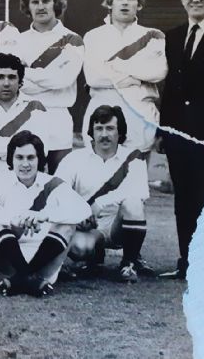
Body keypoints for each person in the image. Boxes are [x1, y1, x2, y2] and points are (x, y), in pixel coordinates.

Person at [0, 131, 90, 297]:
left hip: (44, 261)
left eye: (31, 158)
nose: (25, 164)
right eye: (19, 158)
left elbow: (83, 209)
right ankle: (28, 278)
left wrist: (45, 215)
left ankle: (22, 278)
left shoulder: (52, 183)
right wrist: (13, 218)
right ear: (11, 160)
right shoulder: (0, 180)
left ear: (40, 159)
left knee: (68, 224)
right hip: (7, 261)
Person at [159, 0, 204, 280]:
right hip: (178, 135)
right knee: (184, 198)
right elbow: (169, 88)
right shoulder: (172, 36)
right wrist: (163, 130)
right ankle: (188, 262)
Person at [56, 106, 151, 282]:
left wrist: (100, 203)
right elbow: (58, 193)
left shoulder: (133, 158)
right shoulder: (75, 159)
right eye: (99, 128)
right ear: (91, 131)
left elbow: (140, 191)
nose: (104, 134)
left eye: (110, 128)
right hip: (88, 226)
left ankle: (128, 263)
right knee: (80, 249)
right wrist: (78, 215)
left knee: (134, 204)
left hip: (118, 227)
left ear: (119, 131)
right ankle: (95, 258)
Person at [82, 0, 167, 154]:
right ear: (110, 3)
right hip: (101, 112)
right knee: (101, 174)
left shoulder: (153, 35)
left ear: (139, 5)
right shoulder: (93, 36)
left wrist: (113, 67)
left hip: (140, 114)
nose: (125, 2)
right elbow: (93, 77)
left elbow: (159, 71)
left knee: (136, 173)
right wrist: (134, 78)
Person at [16, 0, 84, 173]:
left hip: (58, 117)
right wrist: (45, 77)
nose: (40, 6)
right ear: (28, 7)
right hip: (25, 116)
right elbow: (14, 82)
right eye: (35, 2)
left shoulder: (72, 40)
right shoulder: (17, 41)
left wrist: (26, 73)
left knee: (58, 181)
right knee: (26, 180)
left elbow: (64, 79)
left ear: (55, 4)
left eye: (46, 1)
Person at [0, 53, 52, 185]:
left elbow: (42, 149)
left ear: (20, 81)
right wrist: (23, 143)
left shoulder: (35, 106)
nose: (6, 83)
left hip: (25, 174)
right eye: (0, 77)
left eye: (12, 77)